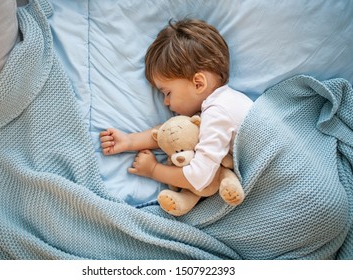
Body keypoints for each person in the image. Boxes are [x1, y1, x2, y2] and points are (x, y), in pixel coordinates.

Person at [100, 18, 253, 204]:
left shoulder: (218, 112)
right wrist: (129, 141)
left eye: (167, 92)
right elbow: (173, 132)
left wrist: (154, 170)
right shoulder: (221, 104)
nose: (165, 102)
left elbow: (199, 177)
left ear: (198, 83)